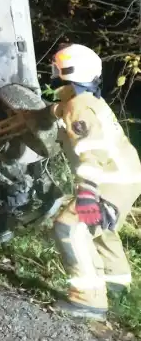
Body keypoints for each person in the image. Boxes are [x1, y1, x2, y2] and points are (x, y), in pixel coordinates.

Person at [50, 43, 141, 320]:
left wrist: (88, 193)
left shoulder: (78, 108)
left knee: (70, 228)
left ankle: (89, 299)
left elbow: (89, 152)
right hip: (127, 175)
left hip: (109, 179)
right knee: (102, 228)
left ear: (66, 70)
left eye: (56, 65)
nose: (52, 69)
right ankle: (116, 283)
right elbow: (60, 111)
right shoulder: (86, 102)